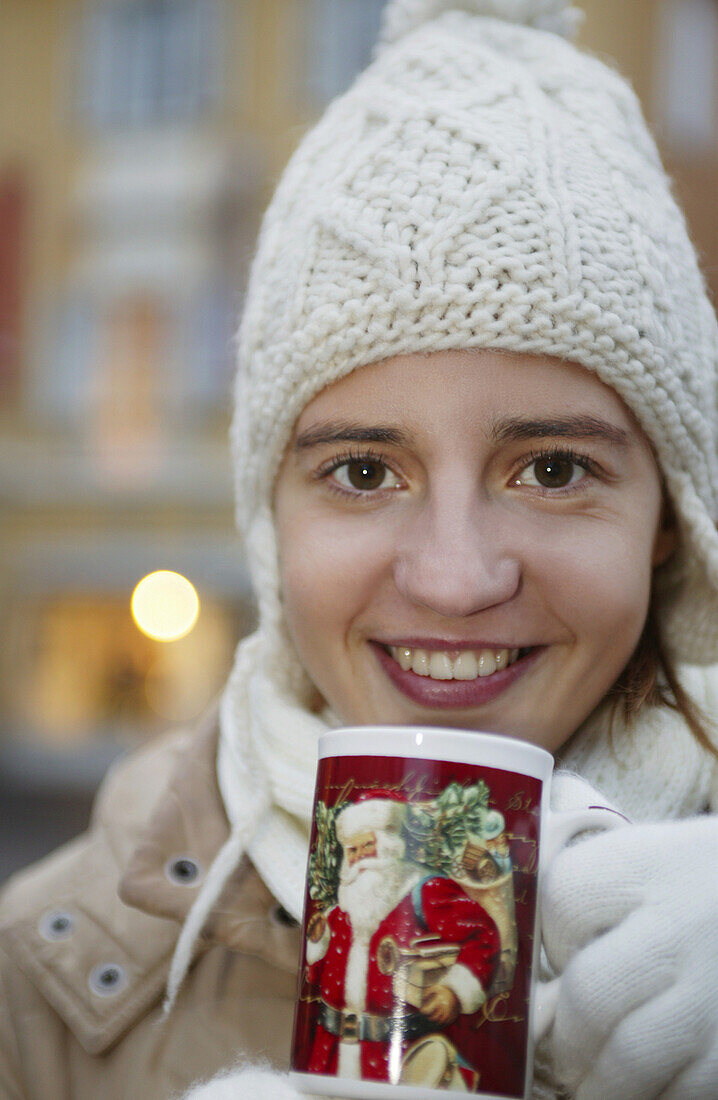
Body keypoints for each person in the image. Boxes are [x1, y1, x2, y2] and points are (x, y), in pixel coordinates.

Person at [2, 0, 718, 1097]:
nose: (454, 576)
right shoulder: (36, 990)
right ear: (269, 515)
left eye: (555, 468)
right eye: (364, 471)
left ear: (668, 516)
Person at [302, 792, 499, 1086]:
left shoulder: (426, 891)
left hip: (397, 1058)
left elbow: (482, 935)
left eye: (367, 845)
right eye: (352, 850)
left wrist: (454, 991)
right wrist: (318, 946)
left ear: (388, 843)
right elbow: (318, 979)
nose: (358, 859)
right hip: (330, 1056)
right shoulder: (340, 911)